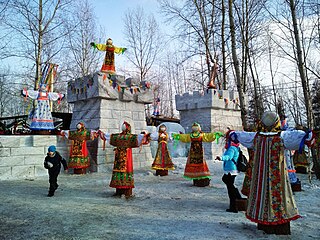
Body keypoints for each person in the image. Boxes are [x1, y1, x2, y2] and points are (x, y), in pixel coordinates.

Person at [233, 111, 314, 235]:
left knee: (262, 194)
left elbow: (241, 136)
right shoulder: (282, 136)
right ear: (277, 122)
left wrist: (233, 134)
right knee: (279, 195)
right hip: (277, 175)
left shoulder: (256, 137)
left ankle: (263, 218)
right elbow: (299, 138)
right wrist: (307, 136)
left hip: (260, 176)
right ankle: (278, 220)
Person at [97, 121, 149, 198]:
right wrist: (103, 134)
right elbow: (109, 136)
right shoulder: (118, 136)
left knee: (125, 170)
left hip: (126, 157)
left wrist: (144, 135)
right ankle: (119, 190)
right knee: (119, 170)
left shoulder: (130, 137)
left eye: (124, 126)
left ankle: (126, 191)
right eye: (123, 126)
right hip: (119, 158)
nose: (123, 127)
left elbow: (139, 138)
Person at [172, 122, 223, 187]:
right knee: (193, 163)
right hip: (193, 151)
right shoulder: (191, 135)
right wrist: (178, 136)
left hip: (200, 152)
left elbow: (208, 136)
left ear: (199, 128)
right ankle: (195, 177)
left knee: (200, 163)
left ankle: (201, 178)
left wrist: (215, 135)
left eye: (196, 126)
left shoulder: (201, 135)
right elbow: (185, 137)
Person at [217, 129, 245, 213]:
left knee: (230, 188)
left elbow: (228, 157)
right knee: (228, 182)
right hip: (232, 169)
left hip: (230, 169)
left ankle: (233, 207)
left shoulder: (232, 148)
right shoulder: (236, 147)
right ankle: (239, 199)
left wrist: (221, 158)